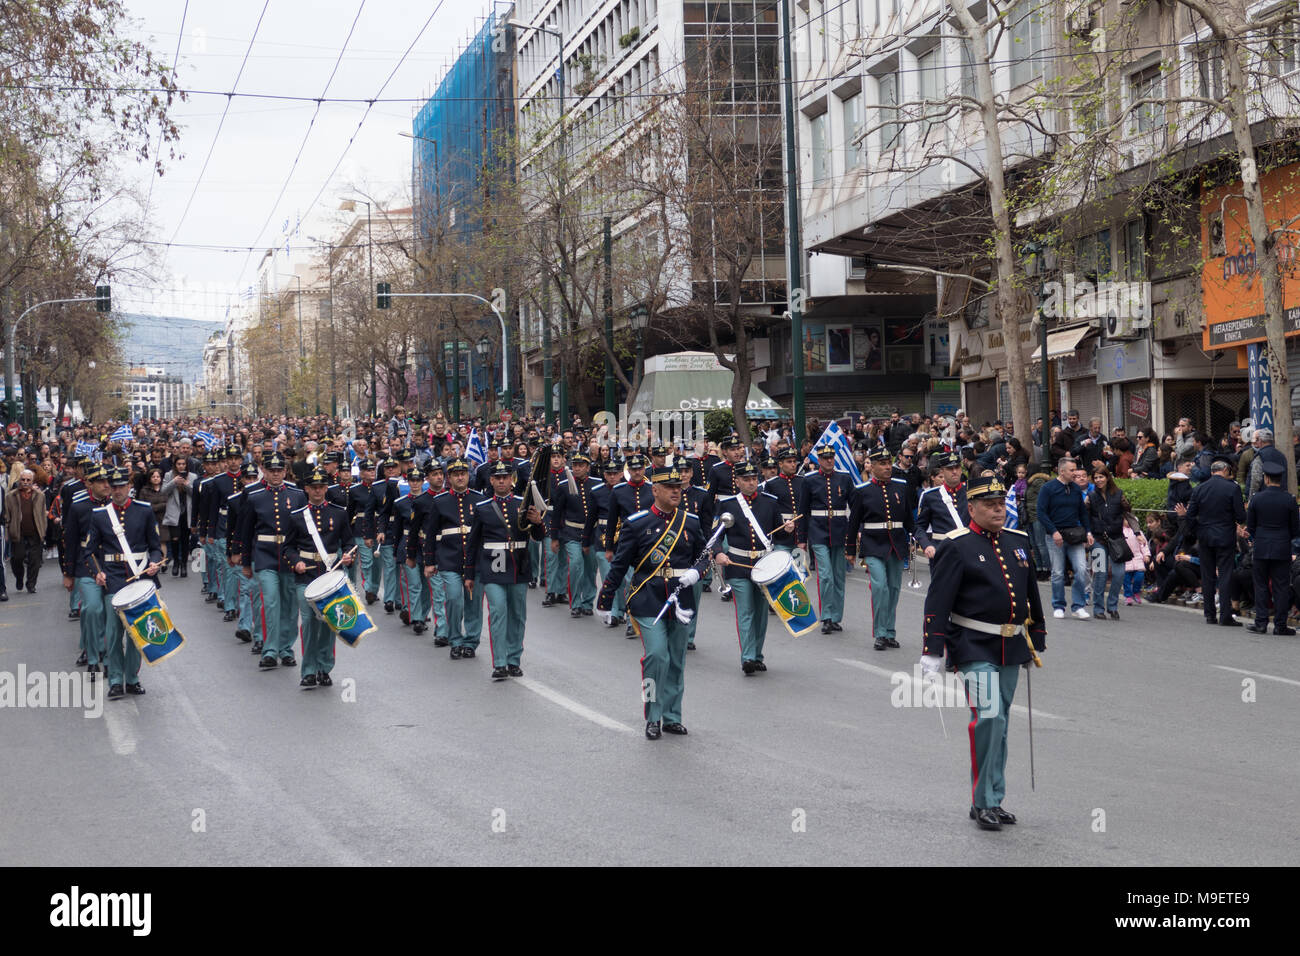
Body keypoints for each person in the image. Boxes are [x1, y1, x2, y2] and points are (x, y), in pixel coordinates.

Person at [920, 473, 1046, 831]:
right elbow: (938, 599)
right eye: (989, 505)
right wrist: (933, 647)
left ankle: (995, 796)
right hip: (973, 643)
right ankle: (982, 801)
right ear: (971, 508)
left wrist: (1036, 633)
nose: (997, 510)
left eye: (1000, 503)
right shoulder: (956, 545)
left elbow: (1029, 594)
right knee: (988, 716)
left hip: (1010, 643)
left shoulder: (1018, 541)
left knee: (1001, 721)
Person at [596, 459, 706, 739]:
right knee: (657, 655)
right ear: (654, 490)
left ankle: (672, 716)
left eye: (678, 487)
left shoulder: (689, 522)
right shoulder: (637, 523)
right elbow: (620, 564)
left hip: (680, 599)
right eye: (669, 487)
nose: (676, 491)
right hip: (648, 597)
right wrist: (606, 597)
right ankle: (652, 715)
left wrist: (697, 572)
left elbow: (703, 556)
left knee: (677, 660)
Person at [84, 466, 165, 700]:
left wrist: (155, 562)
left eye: (122, 486)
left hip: (141, 576)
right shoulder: (100, 515)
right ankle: (116, 680)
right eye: (114, 486)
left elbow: (154, 545)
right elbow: (90, 551)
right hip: (114, 578)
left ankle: (132, 678)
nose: (118, 490)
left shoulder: (144, 510)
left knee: (136, 632)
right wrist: (98, 573)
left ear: (129, 487)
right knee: (114, 630)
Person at [465, 460, 547, 680]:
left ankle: (513, 660)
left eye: (505, 477)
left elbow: (538, 537)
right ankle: (500, 662)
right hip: (492, 566)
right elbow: (473, 543)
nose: (501, 481)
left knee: (518, 615)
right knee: (498, 612)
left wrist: (538, 522)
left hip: (519, 564)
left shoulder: (523, 504)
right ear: (491, 480)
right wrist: (469, 574)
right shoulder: (482, 507)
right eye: (497, 478)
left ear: (512, 480)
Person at [712, 460, 794, 673]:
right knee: (746, 610)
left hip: (764, 565)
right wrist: (719, 552)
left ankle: (757, 655)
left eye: (754, 479)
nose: (751, 483)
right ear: (737, 481)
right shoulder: (728, 505)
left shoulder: (770, 502)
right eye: (746, 479)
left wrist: (788, 528)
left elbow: (779, 531)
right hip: (737, 564)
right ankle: (747, 657)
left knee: (761, 613)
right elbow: (716, 536)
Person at [240, 451, 308, 667]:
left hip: (290, 556)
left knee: (289, 606)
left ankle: (286, 648)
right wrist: (245, 562)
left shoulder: (297, 494)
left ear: (285, 471)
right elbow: (246, 531)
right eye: (272, 471)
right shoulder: (254, 496)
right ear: (264, 472)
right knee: (270, 602)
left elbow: (304, 529)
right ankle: (269, 650)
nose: (276, 474)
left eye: (280, 470)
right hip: (264, 555)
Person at [847, 448, 914, 650]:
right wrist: (850, 549)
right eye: (882, 464)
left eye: (888, 463)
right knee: (880, 587)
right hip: (873, 545)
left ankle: (890, 632)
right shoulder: (862, 490)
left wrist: (916, 538)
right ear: (873, 466)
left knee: (893, 589)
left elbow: (909, 519)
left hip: (896, 544)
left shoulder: (901, 486)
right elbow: (854, 522)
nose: (887, 467)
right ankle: (880, 632)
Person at [420, 458, 484, 658]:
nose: (460, 477)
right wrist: (429, 561)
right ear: (449, 478)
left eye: (463, 473)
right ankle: (455, 639)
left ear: (467, 475)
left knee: (473, 603)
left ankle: (471, 642)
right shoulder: (440, 502)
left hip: (475, 561)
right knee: (454, 599)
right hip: (450, 559)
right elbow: (431, 534)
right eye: (456, 474)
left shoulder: (478, 499)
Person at [1185, 459, 1247, 627]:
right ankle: (1225, 615)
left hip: (1205, 536)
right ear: (1225, 470)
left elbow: (1190, 515)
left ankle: (1210, 614)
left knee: (1207, 575)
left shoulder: (1199, 489)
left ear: (1212, 471)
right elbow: (1241, 516)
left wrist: (1197, 530)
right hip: (1225, 536)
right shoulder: (1232, 488)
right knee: (1225, 575)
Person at [799, 444, 853, 633]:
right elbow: (803, 511)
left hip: (839, 530)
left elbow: (854, 507)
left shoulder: (844, 478)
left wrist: (853, 534)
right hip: (818, 531)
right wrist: (802, 539)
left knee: (839, 576)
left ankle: (836, 617)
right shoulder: (810, 480)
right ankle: (827, 616)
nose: (829, 460)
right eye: (825, 458)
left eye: (831, 457)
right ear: (819, 460)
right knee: (826, 575)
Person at [63, 464, 110, 675]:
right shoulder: (79, 507)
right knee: (91, 609)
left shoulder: (115, 505)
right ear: (89, 484)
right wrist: (68, 573)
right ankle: (92, 652)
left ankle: (103, 650)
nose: (106, 485)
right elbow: (70, 541)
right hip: (86, 563)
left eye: (107, 481)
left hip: (111, 563)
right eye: (100, 481)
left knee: (107, 611)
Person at [1244, 458, 1298, 634]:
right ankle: (1280, 625)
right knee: (1281, 586)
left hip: (1261, 546)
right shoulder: (1289, 500)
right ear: (1280, 479)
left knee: (1260, 585)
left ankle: (1260, 622)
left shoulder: (1257, 499)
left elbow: (1250, 526)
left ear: (1266, 479)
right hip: (1282, 547)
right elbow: (1295, 528)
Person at [1035, 456, 1093, 619]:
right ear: (1061, 471)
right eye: (1072, 470)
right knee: (1058, 572)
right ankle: (1058, 605)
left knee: (1081, 569)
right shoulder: (1048, 488)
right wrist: (1053, 531)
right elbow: (1041, 512)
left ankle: (1078, 605)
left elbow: (1082, 512)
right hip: (1055, 537)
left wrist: (1088, 531)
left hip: (1074, 535)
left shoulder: (1075, 489)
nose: (1075, 473)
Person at [550, 451, 600, 619]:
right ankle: (575, 603)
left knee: (590, 569)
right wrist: (555, 537)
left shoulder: (596, 484)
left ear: (587, 467)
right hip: (571, 532)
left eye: (581, 466)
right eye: (575, 465)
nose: (577, 468)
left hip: (592, 532)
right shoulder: (564, 486)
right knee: (575, 564)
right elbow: (557, 513)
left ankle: (587, 602)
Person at [1086, 467, 1127, 620]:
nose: (1098, 480)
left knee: (1119, 574)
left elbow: (1128, 513)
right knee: (1100, 574)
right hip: (1098, 540)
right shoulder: (1091, 496)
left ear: (1107, 477)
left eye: (1101, 477)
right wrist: (1087, 534)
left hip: (1117, 539)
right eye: (1096, 477)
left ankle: (1112, 606)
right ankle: (1098, 608)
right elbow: (1085, 517)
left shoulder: (1119, 494)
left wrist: (1137, 534)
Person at [914, 452, 968, 559]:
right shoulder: (930, 496)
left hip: (968, 550)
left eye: (957, 467)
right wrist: (926, 545)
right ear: (942, 471)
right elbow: (919, 527)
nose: (954, 471)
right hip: (942, 551)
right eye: (950, 468)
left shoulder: (971, 493)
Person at [5, 469, 47, 594]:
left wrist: (43, 530)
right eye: (23, 479)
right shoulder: (10, 496)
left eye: (28, 480)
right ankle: (19, 578)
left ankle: (31, 584)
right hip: (18, 532)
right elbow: (7, 516)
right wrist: (7, 533)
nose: (25, 482)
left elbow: (42, 515)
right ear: (19, 480)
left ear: (32, 481)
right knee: (17, 558)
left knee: (35, 560)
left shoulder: (40, 496)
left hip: (35, 532)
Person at [346, 459, 382, 603]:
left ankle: (374, 589)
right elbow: (350, 512)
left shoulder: (380, 488)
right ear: (361, 473)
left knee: (377, 563)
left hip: (378, 526)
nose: (371, 472)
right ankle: (368, 589)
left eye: (373, 469)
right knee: (366, 561)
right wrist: (347, 531)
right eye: (368, 470)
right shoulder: (355, 490)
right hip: (361, 528)